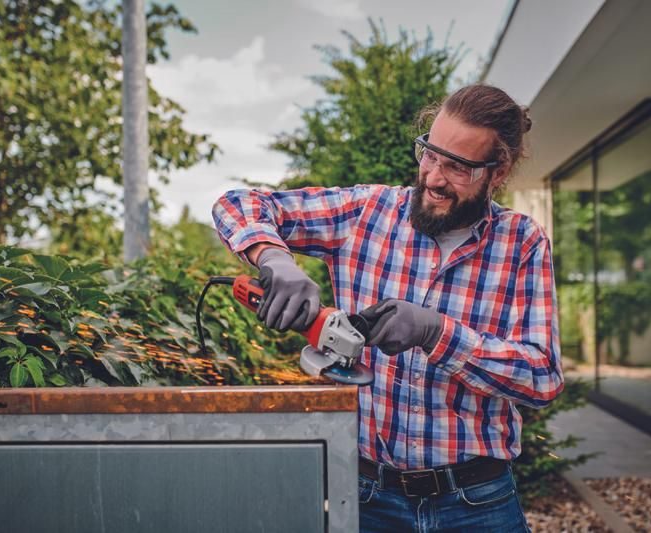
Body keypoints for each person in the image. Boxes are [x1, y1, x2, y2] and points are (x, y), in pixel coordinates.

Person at [212, 83, 563, 532]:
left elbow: (542, 378)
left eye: (457, 167)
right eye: (430, 154)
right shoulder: (366, 212)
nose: (433, 178)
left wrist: (438, 334)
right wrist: (273, 257)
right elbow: (236, 204)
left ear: (498, 172)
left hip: (478, 502)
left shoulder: (522, 242)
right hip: (367, 497)